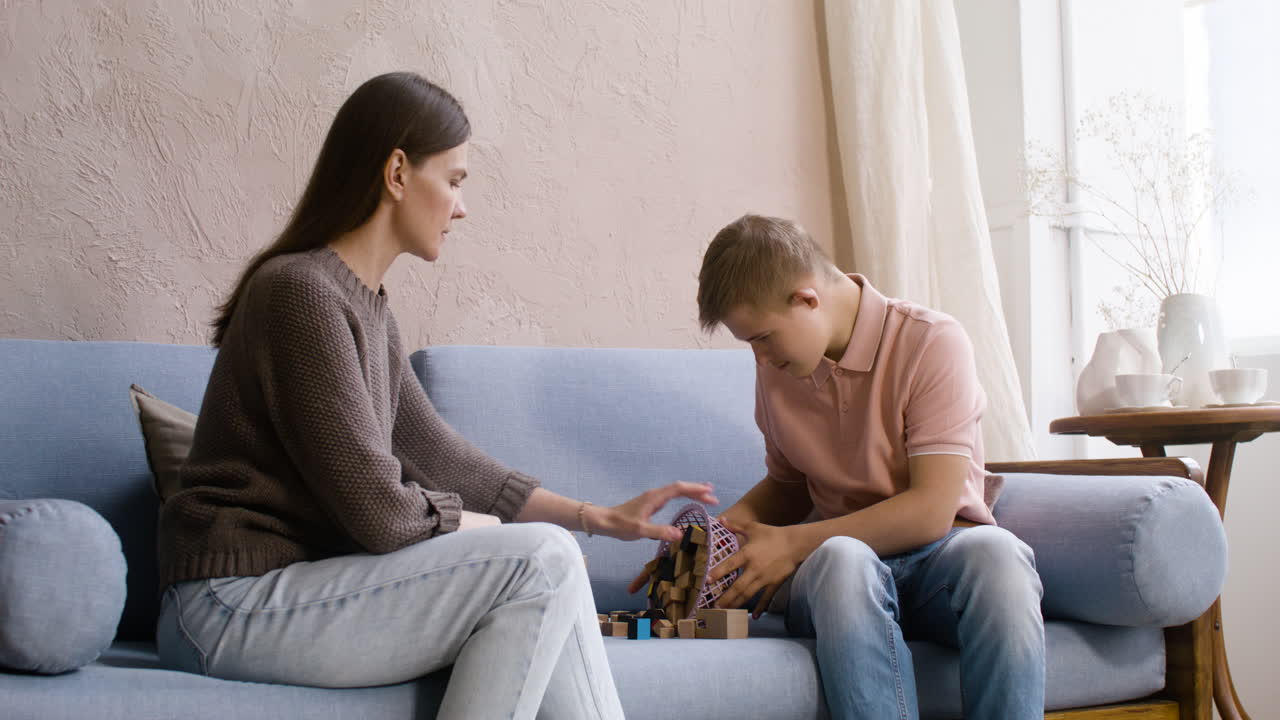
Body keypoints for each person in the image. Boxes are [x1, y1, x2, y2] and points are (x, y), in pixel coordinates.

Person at [154, 72, 716, 720]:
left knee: (548, 562)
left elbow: (438, 456)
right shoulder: (298, 294)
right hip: (226, 605)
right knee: (543, 563)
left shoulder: (366, 306)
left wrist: (594, 517)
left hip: (288, 592)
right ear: (397, 173)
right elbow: (378, 513)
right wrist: (493, 531)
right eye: (453, 180)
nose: (461, 206)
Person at [684, 214, 1044, 719]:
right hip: (841, 578)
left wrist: (790, 544)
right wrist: (719, 538)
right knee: (843, 559)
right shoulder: (780, 369)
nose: (759, 359)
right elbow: (789, 487)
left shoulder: (931, 341)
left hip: (939, 560)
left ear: (807, 298)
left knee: (999, 554)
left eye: (762, 338)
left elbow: (931, 512)